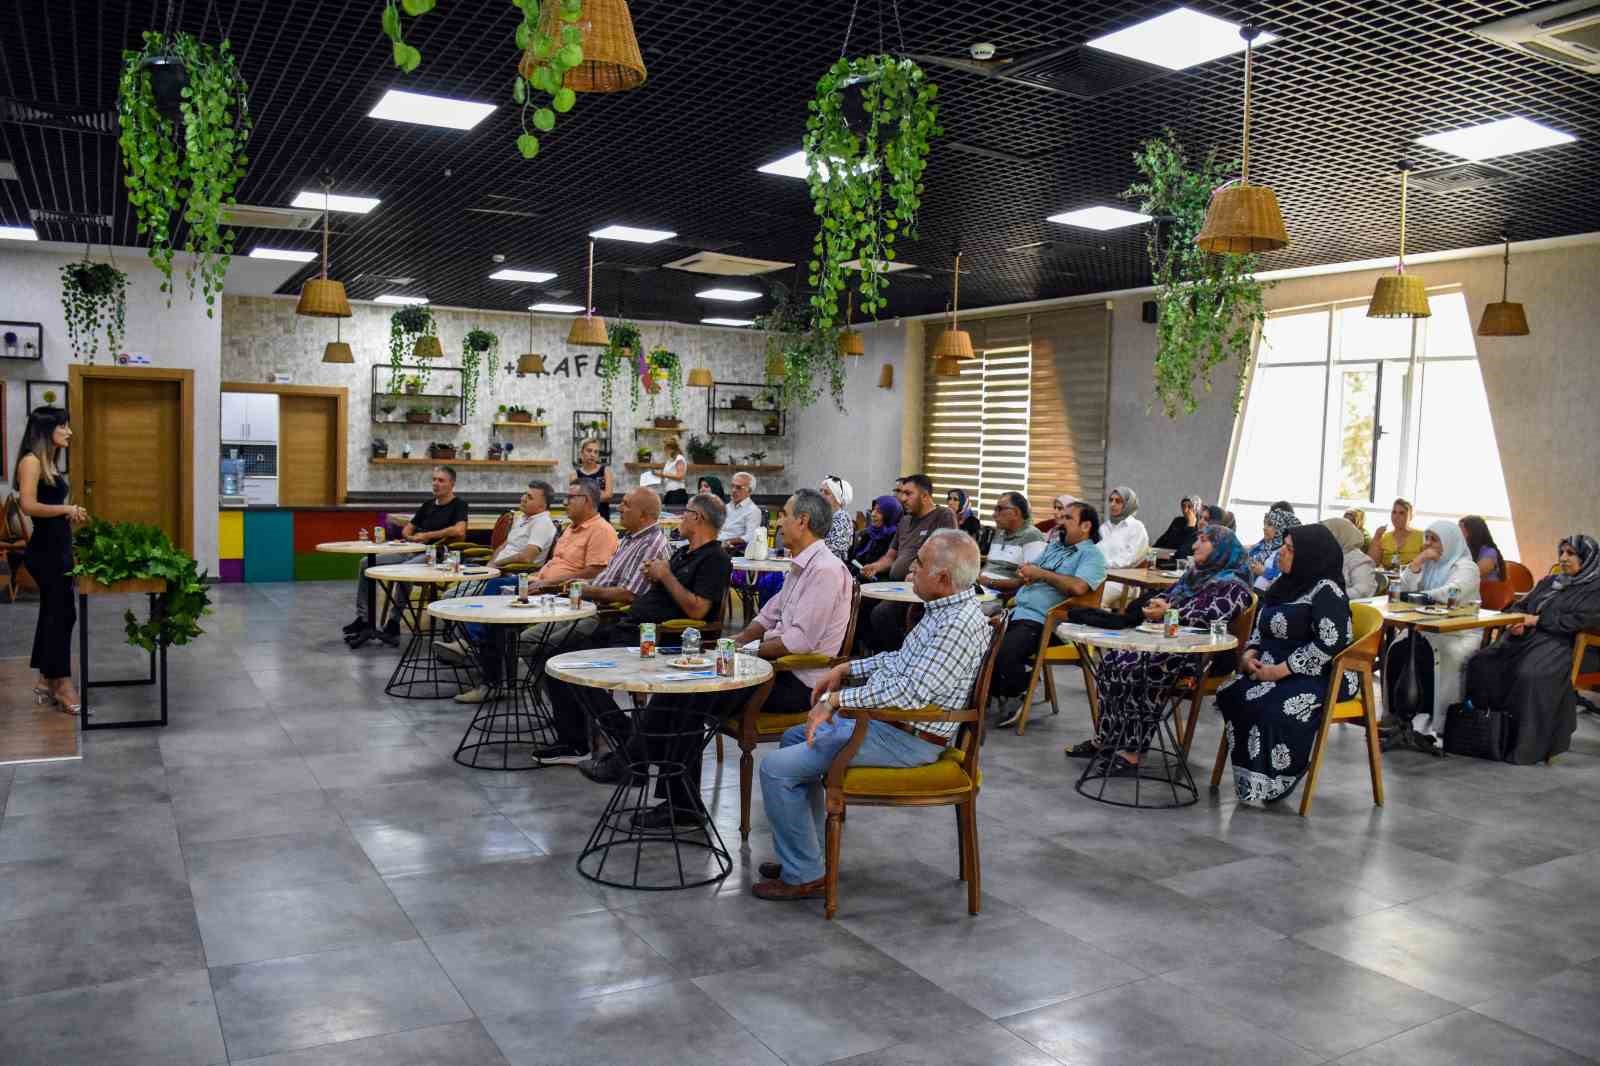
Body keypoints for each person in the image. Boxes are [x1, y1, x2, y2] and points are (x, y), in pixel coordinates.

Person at [753, 530, 989, 900]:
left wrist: (836, 701)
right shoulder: (944, 612)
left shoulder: (957, 625)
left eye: (920, 564)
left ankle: (804, 875)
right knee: (794, 739)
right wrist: (847, 670)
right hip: (891, 724)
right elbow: (901, 662)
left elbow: (911, 692)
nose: (911, 570)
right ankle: (808, 857)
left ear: (943, 579)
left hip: (908, 739)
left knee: (776, 769)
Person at [541, 492, 732, 777]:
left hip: (656, 638)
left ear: (698, 518)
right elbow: (663, 587)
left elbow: (696, 610)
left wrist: (664, 575)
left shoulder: (715, 558)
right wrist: (655, 574)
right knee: (556, 660)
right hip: (628, 626)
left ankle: (628, 746)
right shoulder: (682, 552)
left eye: (685, 512)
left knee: (570, 669)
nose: (680, 517)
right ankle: (624, 743)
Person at [447, 487, 666, 704]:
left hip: (604, 613)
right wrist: (578, 587)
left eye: (626, 504)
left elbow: (628, 593)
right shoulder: (625, 538)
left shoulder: (642, 541)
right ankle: (552, 705)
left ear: (644, 515)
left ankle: (573, 714)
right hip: (571, 597)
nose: (620, 507)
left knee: (545, 650)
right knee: (506, 617)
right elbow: (602, 577)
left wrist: (576, 588)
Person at [1067, 525, 1253, 766]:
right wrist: (1158, 603)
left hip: (1201, 654)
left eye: (1204, 541)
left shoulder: (1235, 585)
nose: (1195, 546)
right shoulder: (1195, 574)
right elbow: (1171, 595)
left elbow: (1213, 615)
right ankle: (1107, 739)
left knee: (1138, 670)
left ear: (1221, 549)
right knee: (1112, 662)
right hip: (1168, 643)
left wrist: (1171, 612)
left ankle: (1133, 751)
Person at [1216, 524, 1357, 803]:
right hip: (1269, 668)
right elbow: (1260, 628)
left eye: (1290, 548)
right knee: (1232, 692)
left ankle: (1283, 774)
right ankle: (1252, 776)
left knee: (1271, 706)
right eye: (1284, 545)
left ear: (1310, 555)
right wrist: (1248, 656)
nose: (1282, 551)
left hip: (1319, 672)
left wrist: (1279, 671)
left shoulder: (1326, 591)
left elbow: (1329, 643)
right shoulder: (1282, 585)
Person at [1464, 534, 1600, 764]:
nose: (1564, 558)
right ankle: (1489, 736)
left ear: (1588, 558)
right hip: (1530, 640)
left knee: (1529, 674)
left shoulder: (1595, 589)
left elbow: (1579, 621)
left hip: (1569, 645)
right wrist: (1515, 621)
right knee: (1482, 663)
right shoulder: (1550, 582)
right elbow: (1522, 605)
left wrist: (1536, 621)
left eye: (1571, 554)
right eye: (1562, 553)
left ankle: (1525, 747)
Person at [988, 501, 1108, 729]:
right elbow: (1032, 568)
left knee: (1005, 653)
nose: (1059, 522)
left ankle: (1020, 690)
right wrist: (1026, 571)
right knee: (982, 645)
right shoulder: (1055, 547)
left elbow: (1079, 588)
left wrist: (1041, 574)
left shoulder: (1092, 556)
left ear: (1085, 526)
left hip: (1049, 622)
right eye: (1060, 517)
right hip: (1019, 612)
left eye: (1067, 518)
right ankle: (995, 693)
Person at [733, 489, 854, 714]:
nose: (778, 523)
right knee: (696, 685)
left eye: (784, 515)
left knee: (702, 695)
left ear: (802, 521)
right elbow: (768, 614)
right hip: (776, 667)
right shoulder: (801, 565)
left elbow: (799, 642)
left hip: (798, 680)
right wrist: (736, 641)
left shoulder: (825, 570)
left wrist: (747, 651)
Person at [13, 406, 86, 715]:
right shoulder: (30, 461)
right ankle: (62, 683)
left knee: (55, 613)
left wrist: (70, 512)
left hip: (58, 546)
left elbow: (50, 503)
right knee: (62, 614)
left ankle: (46, 678)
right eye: (63, 426)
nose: (69, 432)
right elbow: (28, 505)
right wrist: (65, 510)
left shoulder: (50, 462)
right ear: (47, 430)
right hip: (45, 552)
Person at [1389, 519, 1482, 752]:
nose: (1428, 544)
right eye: (1427, 538)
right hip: (1425, 628)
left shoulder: (1466, 567)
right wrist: (1418, 562)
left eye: (1434, 539)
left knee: (1429, 656)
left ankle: (1433, 720)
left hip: (1457, 633)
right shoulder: (1430, 562)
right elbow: (1402, 586)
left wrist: (1419, 596)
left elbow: (1451, 593)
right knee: (1398, 649)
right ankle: (1402, 719)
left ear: (1449, 541)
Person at [349, 466, 468, 646]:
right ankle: (363, 619)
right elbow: (407, 528)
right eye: (434, 479)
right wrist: (410, 538)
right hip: (412, 549)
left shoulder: (459, 505)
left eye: (441, 480)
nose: (436, 484)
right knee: (366, 563)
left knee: (406, 571)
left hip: (437, 554)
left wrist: (427, 536)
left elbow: (459, 530)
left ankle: (393, 623)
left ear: (452, 484)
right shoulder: (428, 505)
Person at [857, 474, 957, 652]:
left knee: (882, 614)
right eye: (901, 493)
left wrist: (919, 573)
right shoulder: (904, 521)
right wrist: (876, 566)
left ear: (925, 496)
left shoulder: (943, 515)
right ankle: (878, 656)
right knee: (860, 604)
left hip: (922, 588)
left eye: (908, 493)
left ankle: (902, 658)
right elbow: (891, 556)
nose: (902, 498)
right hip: (897, 585)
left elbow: (947, 554)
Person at [533, 480, 619, 588]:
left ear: (587, 500)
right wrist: (533, 578)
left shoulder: (601, 530)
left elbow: (595, 572)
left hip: (562, 593)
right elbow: (556, 563)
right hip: (541, 583)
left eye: (570, 498)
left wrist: (548, 583)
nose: (564, 502)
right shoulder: (570, 527)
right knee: (509, 585)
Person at [977, 492, 1045, 604]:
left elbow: (1030, 581)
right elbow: (991, 565)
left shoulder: (1032, 536)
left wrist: (991, 582)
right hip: (982, 591)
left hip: (1003, 598)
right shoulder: (999, 533)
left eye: (999, 509)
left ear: (1016, 512)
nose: (994, 515)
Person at [1099, 485, 1151, 607]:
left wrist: (1101, 564)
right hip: (1101, 576)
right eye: (1111, 500)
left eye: (1118, 501)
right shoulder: (1104, 527)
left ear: (1128, 504)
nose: (1112, 504)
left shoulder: (1136, 528)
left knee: (1092, 596)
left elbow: (1128, 561)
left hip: (1123, 582)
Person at [1323, 516, 1378, 599]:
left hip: (1349, 608)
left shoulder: (1360, 560)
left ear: (1341, 535)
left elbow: (1363, 591)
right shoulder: (1331, 556)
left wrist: (1331, 597)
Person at [1247, 507, 1297, 591]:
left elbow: (1284, 577)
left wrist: (1264, 572)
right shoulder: (1261, 545)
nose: (1264, 528)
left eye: (1270, 525)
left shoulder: (1286, 551)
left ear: (1281, 527)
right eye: (1264, 524)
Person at [1368, 497, 1424, 569]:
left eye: (1401, 513)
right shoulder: (1384, 537)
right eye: (1394, 512)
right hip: (1389, 578)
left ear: (1410, 516)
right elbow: (1372, 564)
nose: (1396, 517)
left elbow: (1428, 564)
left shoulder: (1421, 536)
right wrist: (1376, 537)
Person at [849, 494, 900, 572]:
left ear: (889, 515)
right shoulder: (867, 534)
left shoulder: (894, 537)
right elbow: (852, 558)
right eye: (873, 509)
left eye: (879, 511)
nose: (873, 514)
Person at [573, 437, 614, 521]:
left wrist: (585, 496)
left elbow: (608, 495)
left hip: (603, 519)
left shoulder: (606, 471)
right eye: (589, 450)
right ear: (581, 452)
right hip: (583, 520)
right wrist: (600, 493)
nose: (592, 454)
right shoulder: (574, 475)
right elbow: (576, 499)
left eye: (596, 452)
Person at [719, 471, 762, 549]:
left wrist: (728, 541)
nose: (733, 490)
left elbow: (750, 536)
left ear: (749, 491)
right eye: (732, 486)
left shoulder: (753, 511)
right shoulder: (725, 507)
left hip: (730, 549)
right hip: (714, 544)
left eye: (738, 487)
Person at [1153, 494, 1204, 558]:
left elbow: (1186, 548)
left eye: (1189, 507)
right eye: (1183, 506)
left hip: (1181, 561)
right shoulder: (1178, 521)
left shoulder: (1200, 526)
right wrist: (1152, 550)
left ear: (1197, 508)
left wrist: (1190, 527)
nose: (1185, 510)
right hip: (1166, 556)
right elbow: (1164, 539)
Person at [819, 475, 855, 563]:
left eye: (827, 493)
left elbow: (834, 550)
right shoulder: (826, 517)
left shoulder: (842, 518)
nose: (821, 495)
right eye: (821, 491)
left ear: (837, 498)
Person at [1460, 515, 1505, 581]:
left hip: (1490, 590)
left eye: (1462, 531)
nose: (1458, 534)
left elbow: (1472, 574)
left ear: (1474, 532)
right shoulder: (1465, 551)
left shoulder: (1489, 552)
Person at [658, 437, 688, 506]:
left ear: (671, 448)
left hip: (677, 493)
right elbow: (667, 475)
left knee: (675, 515)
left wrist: (662, 474)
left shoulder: (679, 458)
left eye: (665, 449)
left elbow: (680, 476)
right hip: (669, 492)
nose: (664, 451)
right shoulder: (670, 460)